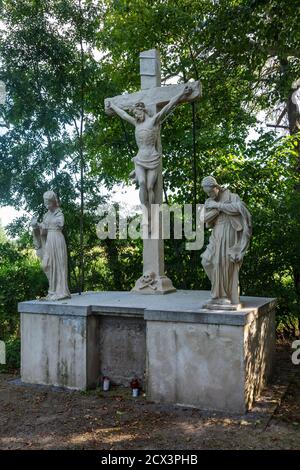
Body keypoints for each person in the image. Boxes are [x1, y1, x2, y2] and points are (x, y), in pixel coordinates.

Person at [106, 85, 193, 207]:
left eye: (137, 113)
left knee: (150, 186)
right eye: (135, 114)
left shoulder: (153, 121)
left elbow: (167, 107)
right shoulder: (136, 124)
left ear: (142, 110)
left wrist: (182, 94)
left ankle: (153, 211)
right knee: (141, 183)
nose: (136, 116)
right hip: (140, 158)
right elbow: (124, 115)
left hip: (152, 157)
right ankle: (145, 211)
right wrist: (113, 106)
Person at [201, 176, 252, 306]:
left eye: (211, 192)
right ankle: (217, 291)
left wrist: (218, 206)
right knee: (207, 261)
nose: (209, 195)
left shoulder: (232, 196)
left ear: (217, 187)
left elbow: (240, 209)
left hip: (229, 231)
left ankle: (222, 296)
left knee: (223, 263)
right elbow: (204, 219)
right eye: (207, 193)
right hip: (216, 232)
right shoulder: (209, 201)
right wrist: (218, 209)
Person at [31, 190, 71, 301]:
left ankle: (61, 292)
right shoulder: (46, 215)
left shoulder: (59, 213)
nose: (46, 204)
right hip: (49, 241)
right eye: (45, 202)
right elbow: (43, 231)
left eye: (47, 201)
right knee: (46, 265)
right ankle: (52, 291)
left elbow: (60, 224)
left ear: (53, 202)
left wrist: (44, 225)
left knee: (58, 265)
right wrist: (36, 226)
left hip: (57, 240)